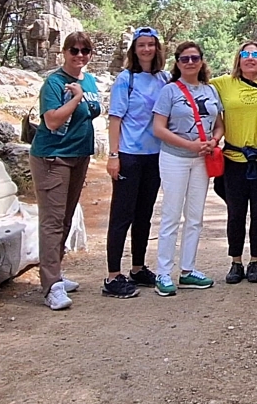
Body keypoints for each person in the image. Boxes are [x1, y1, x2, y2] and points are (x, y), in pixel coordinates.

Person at [30, 31, 102, 311]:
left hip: (79, 155)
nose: (79, 55)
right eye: (74, 50)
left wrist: (83, 95)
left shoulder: (89, 80)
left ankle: (56, 273)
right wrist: (76, 99)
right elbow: (51, 121)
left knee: (66, 218)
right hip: (53, 157)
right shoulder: (54, 82)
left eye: (85, 50)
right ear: (64, 52)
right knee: (52, 220)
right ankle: (51, 286)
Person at [151, 41, 224, 296]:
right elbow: (159, 128)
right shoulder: (169, 91)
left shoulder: (210, 90)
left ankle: (187, 269)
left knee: (195, 216)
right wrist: (189, 145)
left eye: (194, 58)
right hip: (175, 158)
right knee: (171, 215)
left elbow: (219, 124)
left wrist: (214, 141)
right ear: (177, 63)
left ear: (202, 61)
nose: (190, 62)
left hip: (202, 159)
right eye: (185, 59)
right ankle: (163, 272)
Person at [101, 27, 169, 299]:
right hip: (129, 155)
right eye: (141, 45)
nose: (146, 49)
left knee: (144, 215)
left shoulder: (164, 78)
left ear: (157, 48)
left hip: (155, 156)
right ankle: (112, 276)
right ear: (134, 49)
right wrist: (113, 155)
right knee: (122, 215)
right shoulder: (125, 79)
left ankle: (138, 268)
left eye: (151, 44)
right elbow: (115, 119)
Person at [210, 40, 257, 284]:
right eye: (245, 54)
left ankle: (255, 261)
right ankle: (236, 262)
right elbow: (194, 85)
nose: (250, 58)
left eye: (255, 54)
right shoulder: (222, 84)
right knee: (235, 213)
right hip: (233, 160)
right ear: (238, 59)